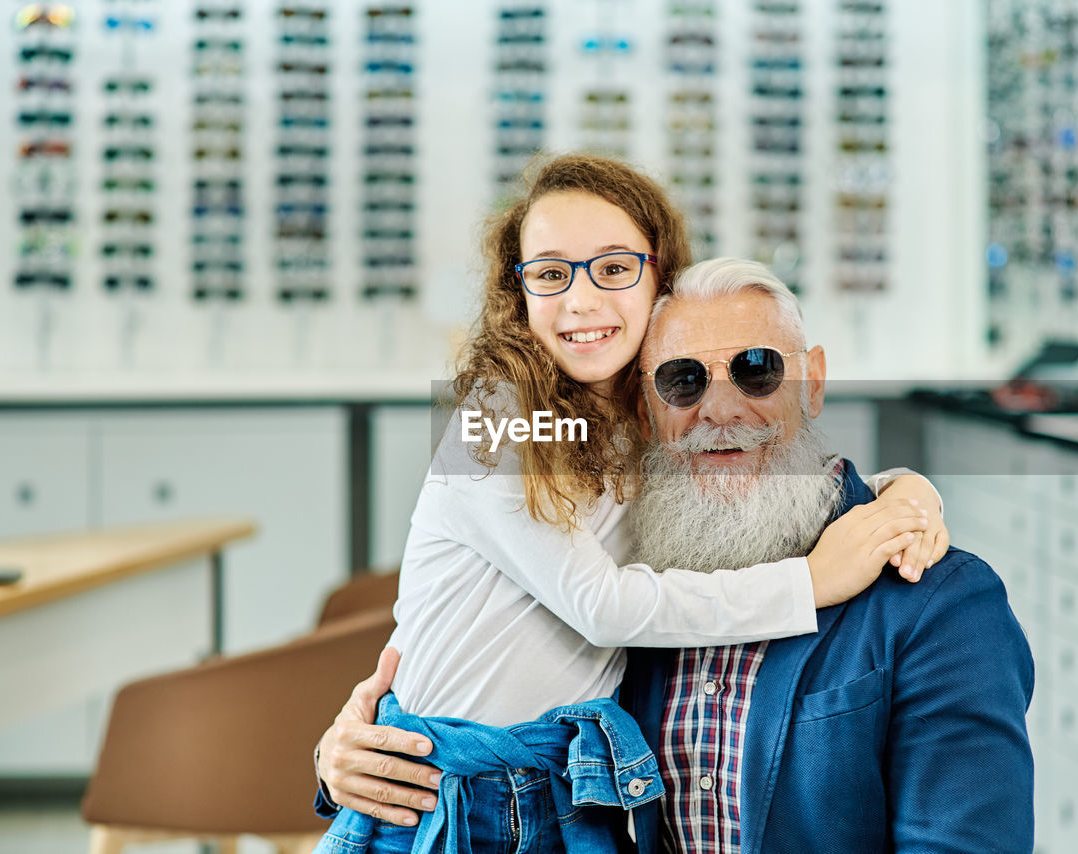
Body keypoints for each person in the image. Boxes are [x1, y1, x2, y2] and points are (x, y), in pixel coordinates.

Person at [312, 155, 952, 853]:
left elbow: (762, 472)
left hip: (572, 792)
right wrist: (814, 582)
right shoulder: (492, 416)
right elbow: (602, 606)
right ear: (517, 293)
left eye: (613, 268)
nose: (582, 301)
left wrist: (902, 490)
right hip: (451, 796)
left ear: (659, 277)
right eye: (552, 274)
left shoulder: (653, 414)